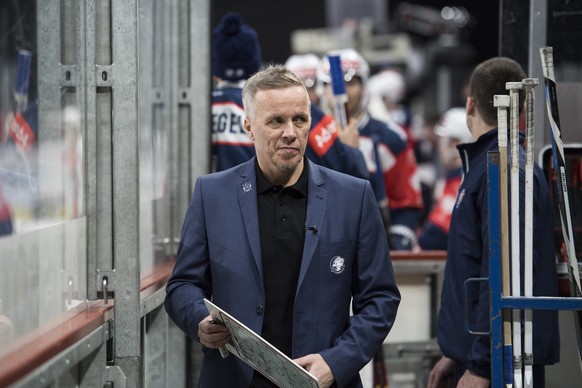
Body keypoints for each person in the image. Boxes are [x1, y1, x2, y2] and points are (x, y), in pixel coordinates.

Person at [165, 65, 401, 388]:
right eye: (276, 121)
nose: (290, 132)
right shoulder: (212, 195)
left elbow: (380, 300)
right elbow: (181, 286)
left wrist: (336, 361)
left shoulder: (353, 197)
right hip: (234, 379)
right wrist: (199, 321)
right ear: (249, 127)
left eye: (299, 120)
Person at [427, 57, 560, 387]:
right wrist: (457, 352)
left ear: (470, 103)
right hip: (479, 356)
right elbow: (475, 265)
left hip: (501, 365)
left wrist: (482, 366)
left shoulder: (504, 168)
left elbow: (505, 272)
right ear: (524, 108)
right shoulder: (486, 167)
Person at [211, 13, 368, 180]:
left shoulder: (198, 111)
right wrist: (352, 150)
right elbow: (349, 168)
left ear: (215, 74)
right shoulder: (294, 107)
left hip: (217, 201)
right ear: (257, 68)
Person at [319, 49, 424, 250]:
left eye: (351, 83)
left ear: (364, 86)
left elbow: (406, 201)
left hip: (373, 242)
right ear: (323, 90)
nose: (342, 92)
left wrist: (399, 239)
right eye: (331, 84)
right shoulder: (310, 137)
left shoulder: (390, 138)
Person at [414, 107, 472, 251]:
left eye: (443, 140)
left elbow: (435, 234)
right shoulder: (456, 177)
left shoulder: (461, 180)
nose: (440, 146)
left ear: (455, 143)